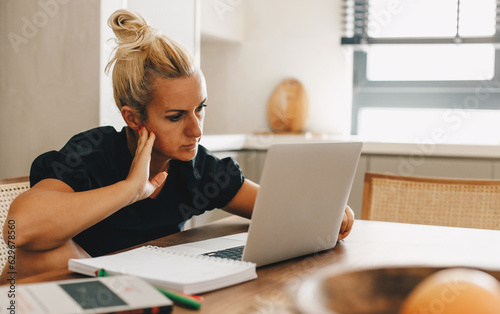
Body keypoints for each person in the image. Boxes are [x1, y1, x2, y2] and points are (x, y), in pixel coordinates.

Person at [1, 9, 354, 281]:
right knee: (38, 253)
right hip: (55, 298)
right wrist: (129, 190)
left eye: (200, 109)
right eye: (175, 116)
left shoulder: (195, 166)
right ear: (133, 117)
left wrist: (326, 211)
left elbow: (274, 208)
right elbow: (18, 227)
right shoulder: (92, 152)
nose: (196, 130)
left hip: (137, 297)